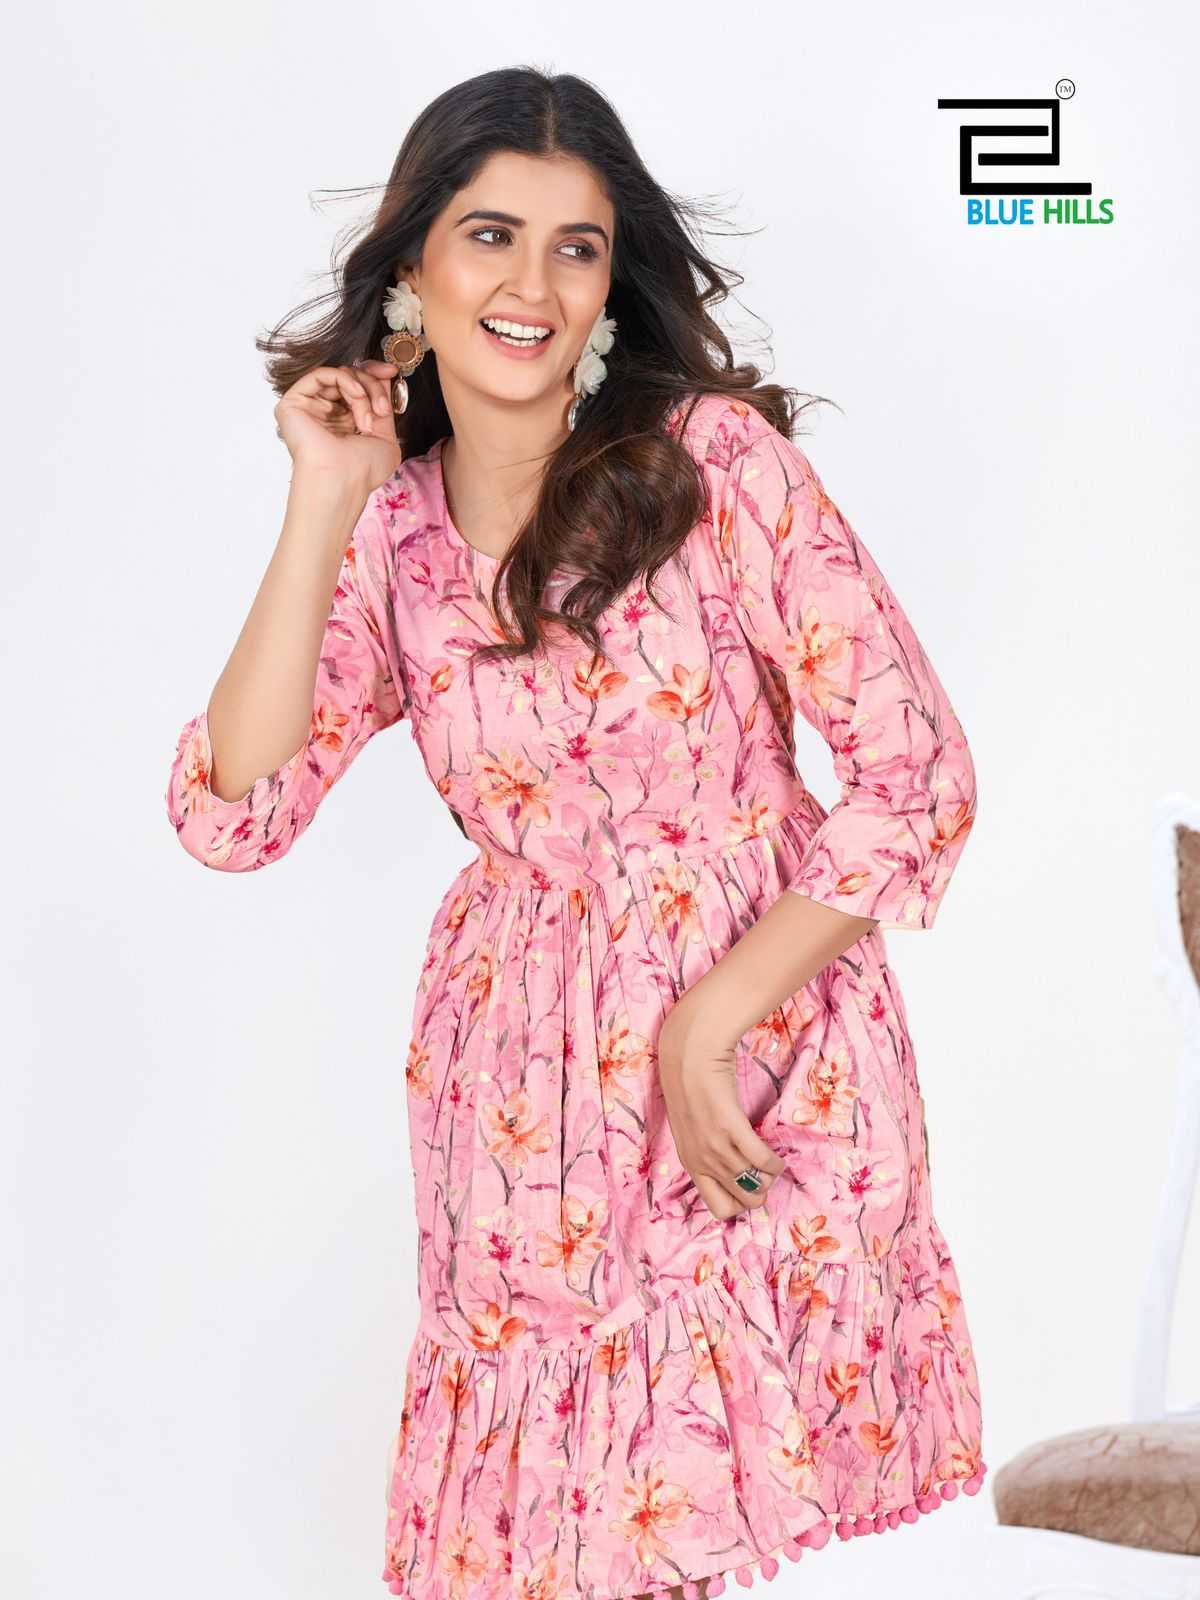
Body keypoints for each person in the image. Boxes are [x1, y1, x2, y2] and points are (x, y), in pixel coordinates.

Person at [165, 66, 986, 1600]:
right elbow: (234, 811)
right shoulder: (392, 529)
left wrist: (706, 1024)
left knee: (689, 1519)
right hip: (523, 1096)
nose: (531, 287)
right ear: (412, 267)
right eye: (489, 236)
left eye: (576, 246)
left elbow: (914, 773)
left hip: (759, 1044)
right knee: (565, 1558)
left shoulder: (711, 464)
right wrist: (323, 501)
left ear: (614, 280)